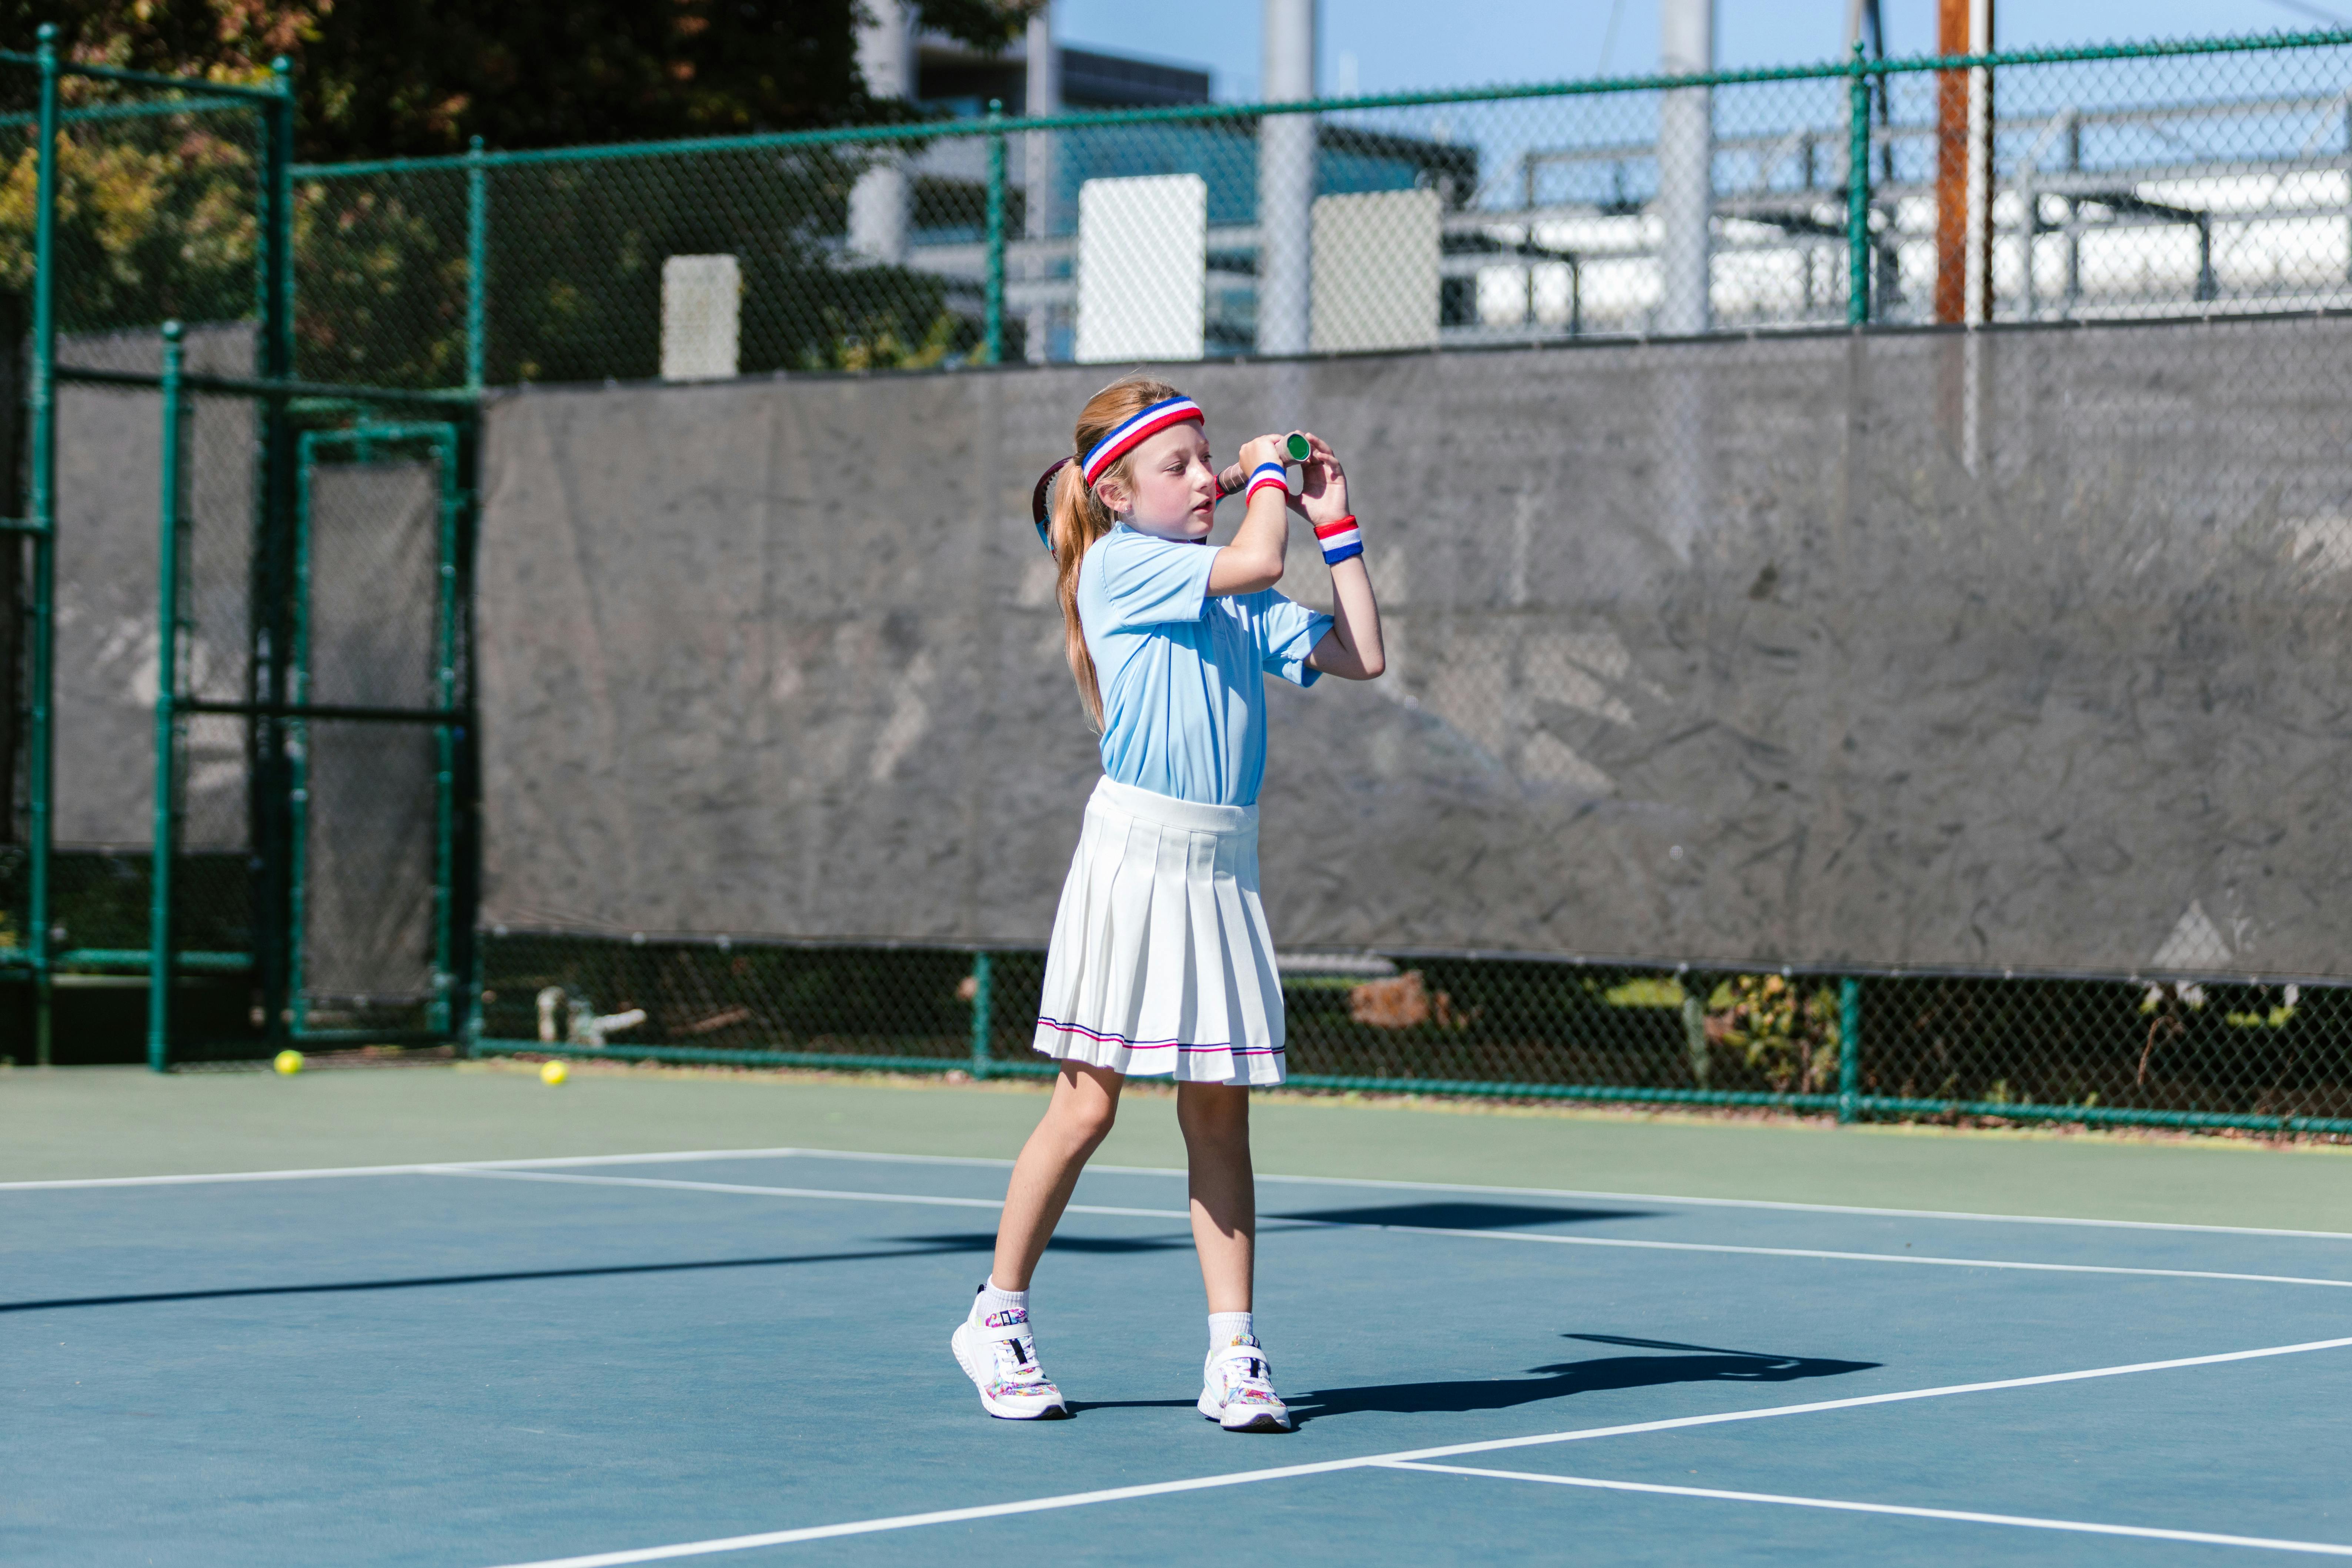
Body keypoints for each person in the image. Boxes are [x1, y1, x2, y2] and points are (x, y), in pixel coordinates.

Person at [951, 378, 1385, 1432]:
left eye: (1205, 461)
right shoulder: (1122, 563)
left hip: (1221, 866)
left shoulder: (1225, 583)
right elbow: (1253, 552)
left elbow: (1359, 653)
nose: (1203, 480)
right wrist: (1262, 474)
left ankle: (1235, 1355)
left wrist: (1337, 523)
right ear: (1115, 493)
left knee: (1218, 1113)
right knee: (1088, 1103)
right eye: (1178, 466)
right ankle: (996, 1317)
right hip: (1134, 856)